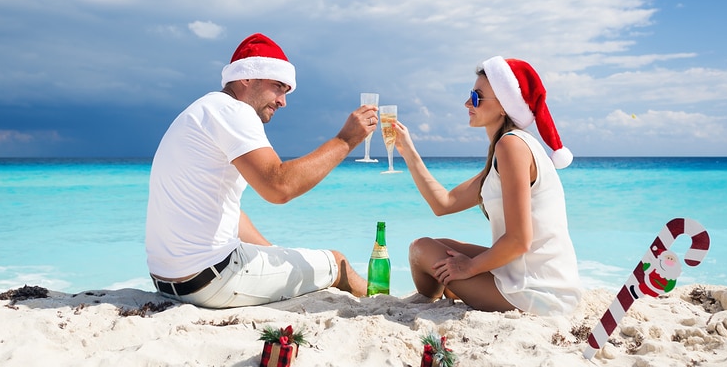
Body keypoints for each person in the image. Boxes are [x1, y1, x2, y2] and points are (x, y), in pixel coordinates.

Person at [146, 33, 375, 308]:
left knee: (283, 256)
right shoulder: (234, 112)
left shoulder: (200, 111)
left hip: (169, 282)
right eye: (278, 86)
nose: (283, 101)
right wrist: (345, 140)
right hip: (212, 281)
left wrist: (276, 254)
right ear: (246, 77)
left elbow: (227, 210)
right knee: (337, 263)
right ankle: (386, 304)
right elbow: (279, 187)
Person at [394, 56, 582, 314]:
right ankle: (454, 291)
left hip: (539, 291)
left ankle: (443, 294)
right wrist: (409, 152)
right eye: (470, 95)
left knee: (421, 249)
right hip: (533, 275)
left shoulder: (511, 146)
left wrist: (469, 268)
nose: (467, 103)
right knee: (439, 246)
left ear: (504, 106)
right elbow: (444, 203)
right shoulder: (509, 147)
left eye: (476, 97)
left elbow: (519, 240)